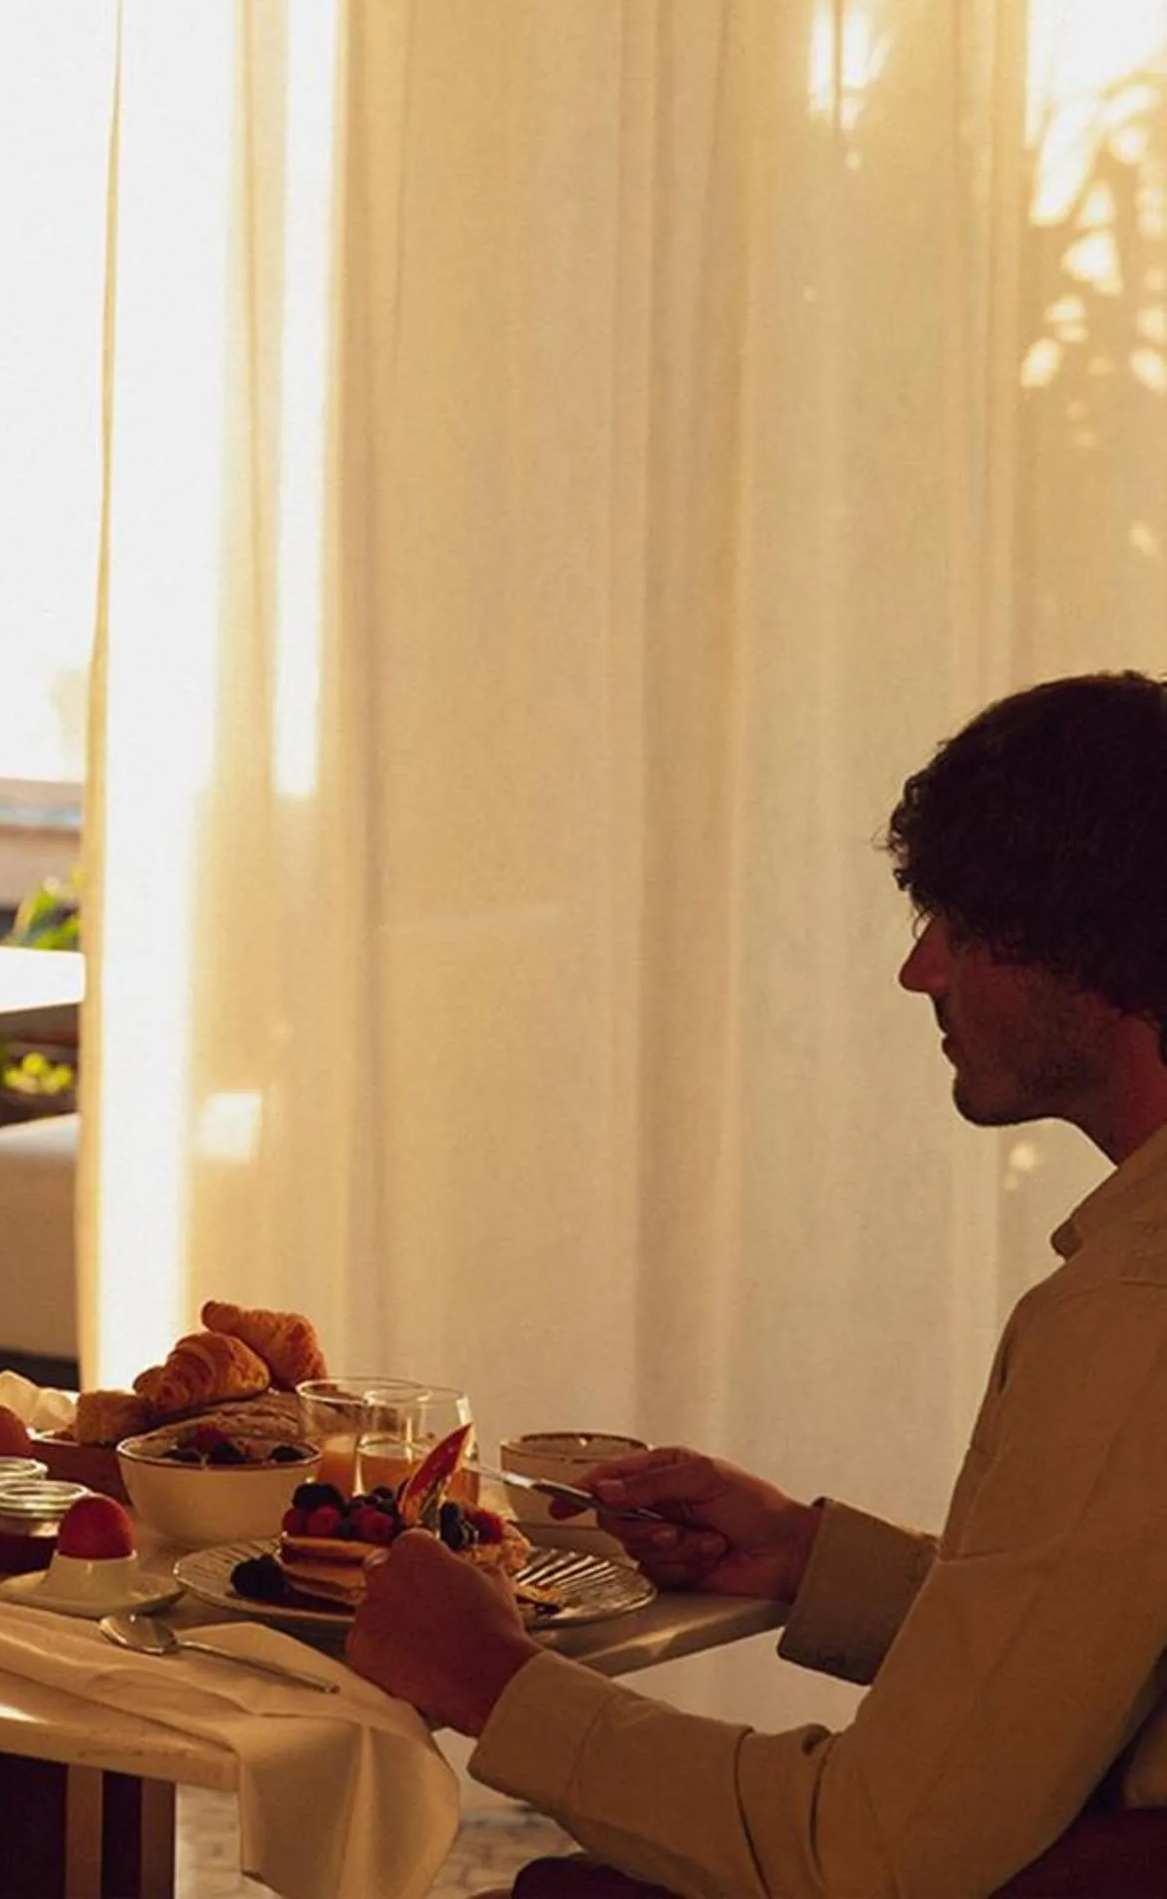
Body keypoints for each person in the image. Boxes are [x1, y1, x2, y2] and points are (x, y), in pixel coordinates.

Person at [347, 672, 1167, 1897]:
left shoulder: (1133, 1313)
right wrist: (805, 1556)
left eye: (962, 922)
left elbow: (872, 1852)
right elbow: (1094, 1657)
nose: (917, 970)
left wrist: (491, 1684)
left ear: (1097, 952)